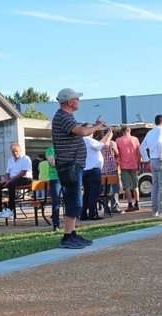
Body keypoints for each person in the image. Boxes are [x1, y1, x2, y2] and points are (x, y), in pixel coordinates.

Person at [52, 87, 107, 249]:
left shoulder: (64, 116)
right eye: (77, 98)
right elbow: (82, 131)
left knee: (75, 200)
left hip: (72, 165)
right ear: (70, 102)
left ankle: (72, 233)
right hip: (70, 165)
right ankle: (67, 237)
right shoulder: (63, 117)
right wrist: (97, 127)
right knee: (73, 200)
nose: (78, 101)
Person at [140, 114, 162, 217]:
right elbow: (160, 143)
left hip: (153, 160)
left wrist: (147, 159)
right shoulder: (161, 131)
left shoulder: (150, 132)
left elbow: (142, 147)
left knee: (155, 186)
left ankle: (155, 211)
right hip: (160, 160)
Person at [0, 142, 33, 220]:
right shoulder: (10, 160)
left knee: (11, 184)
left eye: (16, 151)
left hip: (25, 178)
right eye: (13, 151)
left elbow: (24, 172)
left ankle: (10, 209)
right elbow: (8, 172)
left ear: (20, 150)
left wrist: (10, 180)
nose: (15, 153)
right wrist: (5, 180)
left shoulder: (25, 158)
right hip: (12, 179)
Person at [80, 128, 112, 220]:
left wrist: (106, 135)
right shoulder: (88, 140)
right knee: (94, 193)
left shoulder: (82, 141)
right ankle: (92, 214)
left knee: (86, 194)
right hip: (93, 171)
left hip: (85, 170)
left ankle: (83, 214)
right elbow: (105, 146)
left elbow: (99, 144)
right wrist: (109, 137)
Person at [116, 124, 142, 212]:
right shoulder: (135, 139)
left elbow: (117, 153)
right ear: (129, 130)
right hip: (134, 164)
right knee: (135, 186)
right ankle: (137, 204)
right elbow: (139, 152)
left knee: (126, 186)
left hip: (124, 165)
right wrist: (138, 163)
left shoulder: (118, 140)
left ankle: (130, 205)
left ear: (122, 131)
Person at [101, 136, 123, 215]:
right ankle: (114, 207)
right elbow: (117, 154)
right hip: (112, 168)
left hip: (103, 169)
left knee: (105, 190)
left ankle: (106, 208)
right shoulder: (112, 143)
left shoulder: (100, 143)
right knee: (115, 189)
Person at [45, 146, 62, 231]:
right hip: (55, 177)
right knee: (56, 202)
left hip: (66, 176)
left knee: (69, 200)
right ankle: (56, 224)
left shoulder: (65, 148)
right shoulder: (50, 150)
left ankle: (71, 223)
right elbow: (53, 162)